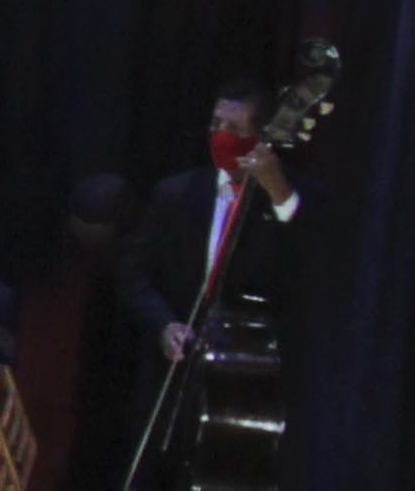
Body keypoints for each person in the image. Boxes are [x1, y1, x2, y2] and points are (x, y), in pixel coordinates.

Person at [123, 77, 303, 373]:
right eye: (216, 124)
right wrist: (165, 324)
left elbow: (305, 268)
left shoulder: (289, 197)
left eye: (234, 128)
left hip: (252, 368)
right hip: (175, 368)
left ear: (261, 136)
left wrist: (279, 195)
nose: (221, 135)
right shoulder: (175, 194)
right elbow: (135, 276)